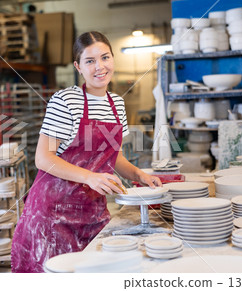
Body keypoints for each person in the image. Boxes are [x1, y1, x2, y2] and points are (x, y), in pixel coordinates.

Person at [11, 31, 162, 273]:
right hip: (53, 213)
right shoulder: (66, 100)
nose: (99, 67)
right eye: (90, 61)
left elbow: (112, 156)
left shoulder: (117, 104)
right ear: (78, 67)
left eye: (105, 58)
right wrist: (90, 177)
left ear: (113, 59)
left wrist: (138, 175)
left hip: (92, 212)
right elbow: (43, 158)